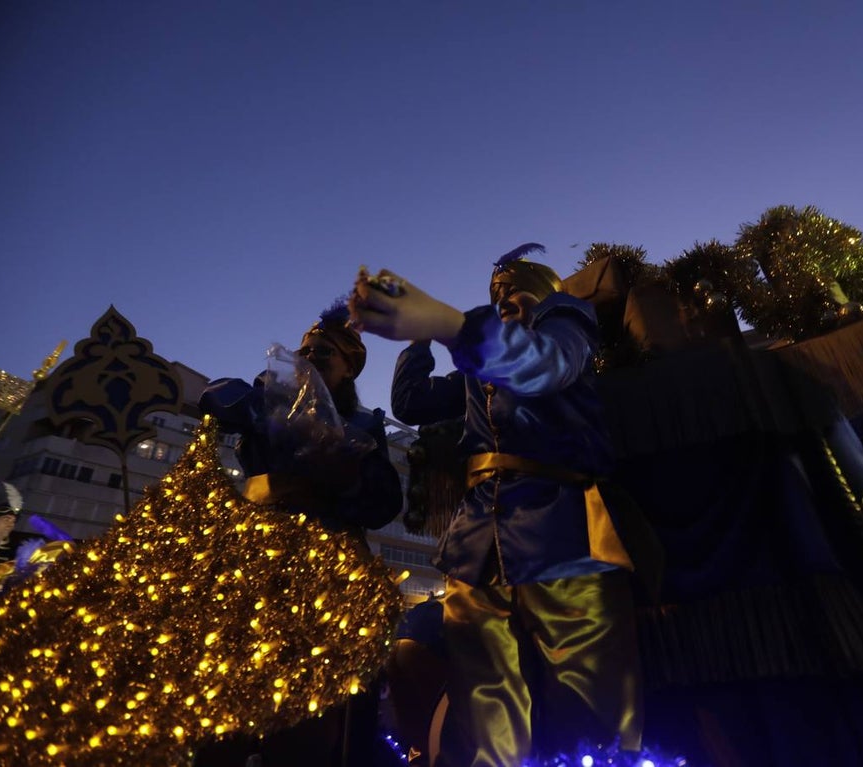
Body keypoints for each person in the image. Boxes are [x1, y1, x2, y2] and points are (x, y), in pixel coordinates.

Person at [351, 245, 643, 767]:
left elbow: (545, 367)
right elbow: (411, 402)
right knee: (483, 695)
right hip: (477, 538)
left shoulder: (565, 319)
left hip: (561, 528)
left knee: (586, 695)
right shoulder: (477, 364)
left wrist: (447, 323)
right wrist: (421, 336)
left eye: (512, 285)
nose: (500, 295)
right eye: (494, 291)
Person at [195, 298, 404, 767]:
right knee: (225, 700)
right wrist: (262, 407)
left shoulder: (363, 426)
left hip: (326, 575)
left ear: (349, 369)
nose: (308, 359)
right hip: (254, 561)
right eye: (304, 350)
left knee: (308, 713)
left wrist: (342, 467)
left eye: (323, 353)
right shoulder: (265, 399)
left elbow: (384, 503)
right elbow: (215, 396)